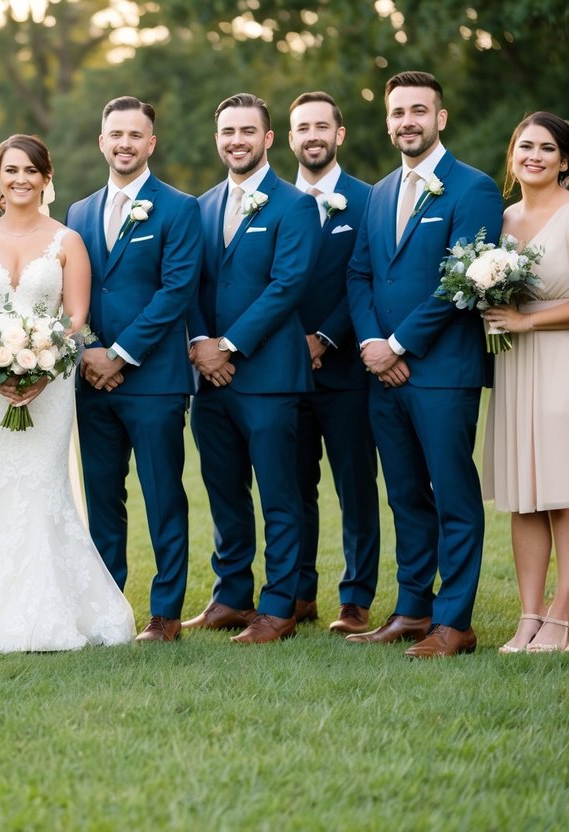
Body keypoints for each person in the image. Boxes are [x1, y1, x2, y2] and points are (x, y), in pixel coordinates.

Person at [0, 134, 136, 652]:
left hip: (52, 385)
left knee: (44, 485)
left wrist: (45, 367)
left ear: (47, 179)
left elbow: (76, 319)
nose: (20, 179)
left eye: (30, 170)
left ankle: (50, 607)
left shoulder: (67, 241)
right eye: (11, 170)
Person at [345, 71, 502, 658]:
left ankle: (455, 623)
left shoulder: (473, 188)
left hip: (442, 371)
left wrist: (399, 345)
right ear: (387, 123)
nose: (406, 121)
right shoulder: (380, 192)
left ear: (441, 118)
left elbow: (461, 281)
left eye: (418, 110)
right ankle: (413, 610)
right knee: (405, 495)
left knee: (453, 496)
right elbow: (360, 274)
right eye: (397, 112)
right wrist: (371, 344)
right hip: (381, 372)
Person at [184, 93, 321, 644]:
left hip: (269, 378)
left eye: (247, 131)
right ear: (217, 139)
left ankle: (279, 608)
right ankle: (231, 597)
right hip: (209, 381)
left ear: (267, 139)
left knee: (279, 496)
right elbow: (187, 283)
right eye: (227, 132)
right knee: (224, 492)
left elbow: (287, 287)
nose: (236, 140)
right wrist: (200, 343)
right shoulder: (200, 207)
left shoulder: (295, 205)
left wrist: (228, 346)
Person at [64, 97, 202, 642]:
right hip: (91, 380)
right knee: (102, 497)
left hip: (154, 381)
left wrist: (119, 355)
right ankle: (108, 607)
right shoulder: (78, 212)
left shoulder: (179, 208)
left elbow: (176, 291)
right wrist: (90, 352)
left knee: (163, 494)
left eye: (135, 135)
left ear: (151, 143)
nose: (124, 144)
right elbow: (72, 294)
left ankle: (165, 613)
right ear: (102, 141)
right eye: (115, 134)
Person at [286, 92, 380, 635]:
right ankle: (300, 594)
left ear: (339, 134)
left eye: (322, 126)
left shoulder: (369, 200)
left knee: (355, 486)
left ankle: (356, 598)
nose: (313, 136)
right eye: (303, 127)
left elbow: (365, 278)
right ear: (290, 138)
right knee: (294, 487)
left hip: (346, 370)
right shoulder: (274, 200)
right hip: (284, 369)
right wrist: (291, 343)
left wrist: (324, 337)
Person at [481, 111, 569, 653]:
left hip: (561, 358)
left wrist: (526, 321)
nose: (534, 155)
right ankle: (529, 615)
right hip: (515, 365)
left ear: (565, 161)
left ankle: (563, 616)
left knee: (563, 492)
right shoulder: (501, 219)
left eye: (547, 148)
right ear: (513, 154)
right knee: (526, 495)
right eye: (526, 146)